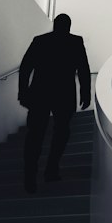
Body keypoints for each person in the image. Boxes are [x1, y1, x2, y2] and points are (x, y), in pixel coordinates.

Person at [19, 12, 91, 193]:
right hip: (63, 94)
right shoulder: (75, 42)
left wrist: (23, 91)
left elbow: (26, 67)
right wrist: (85, 93)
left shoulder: (40, 41)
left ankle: (31, 176)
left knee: (36, 135)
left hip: (40, 93)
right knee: (60, 133)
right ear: (68, 26)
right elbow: (83, 69)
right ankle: (51, 169)